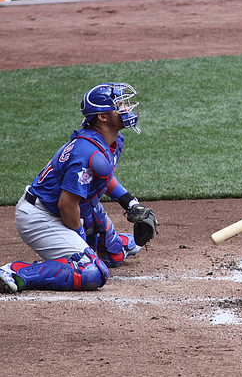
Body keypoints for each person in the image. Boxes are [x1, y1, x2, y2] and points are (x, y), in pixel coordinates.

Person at [0, 83, 155, 294]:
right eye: (119, 105)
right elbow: (67, 205)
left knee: (114, 254)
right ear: (103, 117)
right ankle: (16, 272)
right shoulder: (87, 152)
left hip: (70, 208)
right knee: (92, 271)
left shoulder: (110, 141)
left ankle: (116, 243)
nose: (126, 108)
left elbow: (103, 177)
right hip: (41, 217)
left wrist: (130, 203)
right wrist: (80, 238)